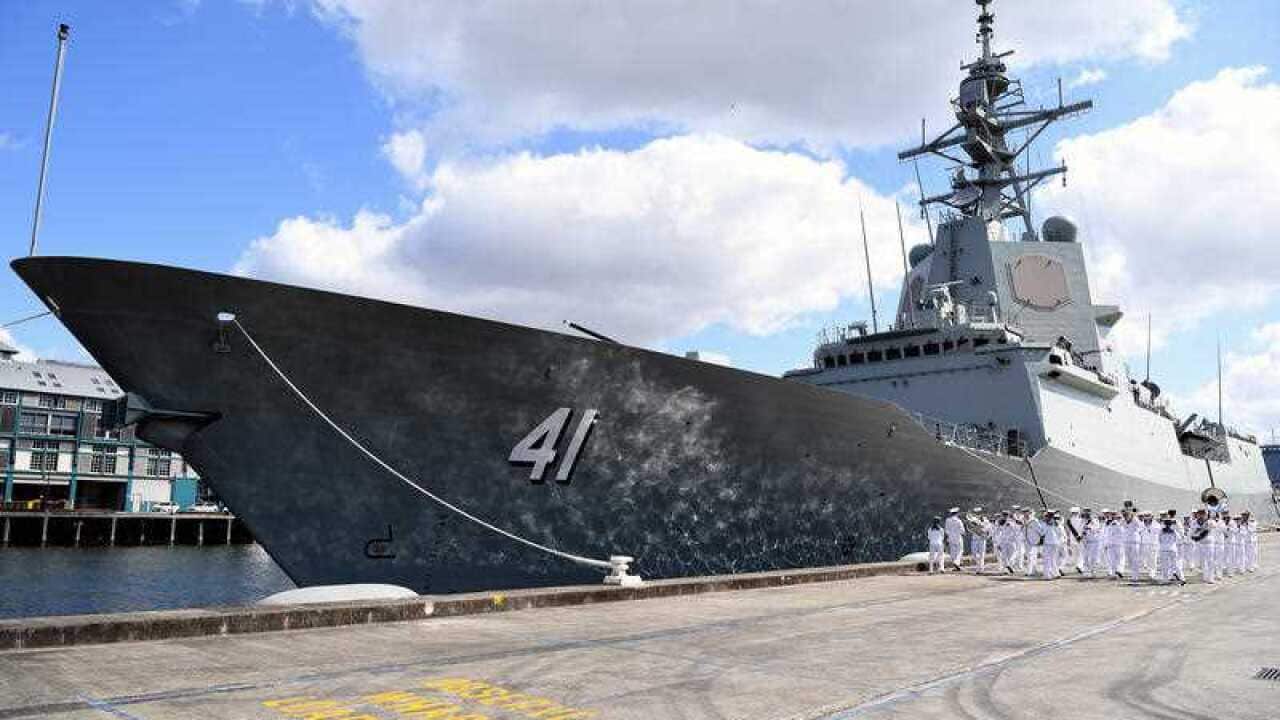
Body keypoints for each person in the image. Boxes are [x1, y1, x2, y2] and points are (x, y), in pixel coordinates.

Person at [1156, 517, 1186, 585]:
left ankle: (1165, 579)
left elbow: (1159, 540)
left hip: (1164, 549)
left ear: (1164, 524)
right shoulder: (1174, 531)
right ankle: (1182, 578)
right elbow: (1178, 539)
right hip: (1172, 548)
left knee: (1165, 565)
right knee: (1175, 564)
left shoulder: (1161, 531)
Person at [967, 507, 992, 574]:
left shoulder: (986, 521)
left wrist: (987, 536)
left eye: (979, 513)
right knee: (974, 554)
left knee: (982, 554)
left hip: (982, 539)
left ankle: (980, 569)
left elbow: (990, 530)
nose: (978, 514)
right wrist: (972, 528)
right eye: (976, 513)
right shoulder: (973, 520)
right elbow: (969, 527)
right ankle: (979, 566)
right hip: (975, 539)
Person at [1122, 508, 1144, 581]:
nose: (1125, 516)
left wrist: (1133, 516)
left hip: (1135, 542)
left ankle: (1135, 576)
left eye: (1126, 515)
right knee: (1129, 559)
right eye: (1124, 515)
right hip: (1126, 542)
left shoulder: (1135, 520)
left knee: (1135, 559)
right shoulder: (1123, 521)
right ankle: (1133, 573)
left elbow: (1141, 527)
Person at [1041, 511, 1063, 579]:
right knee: (1053, 559)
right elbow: (1060, 533)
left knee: (1047, 559)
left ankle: (1047, 575)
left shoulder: (1045, 524)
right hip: (1055, 543)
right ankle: (1056, 573)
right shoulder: (1056, 524)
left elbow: (1042, 533)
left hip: (1048, 543)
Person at [1081, 509, 1104, 576]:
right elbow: (1082, 531)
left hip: (1094, 542)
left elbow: (1097, 529)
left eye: (1087, 514)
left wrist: (1089, 528)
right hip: (1086, 542)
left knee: (1093, 558)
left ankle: (1093, 570)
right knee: (1085, 557)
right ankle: (1086, 571)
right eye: (1085, 514)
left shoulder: (1095, 521)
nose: (1086, 515)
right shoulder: (1083, 522)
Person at [1104, 509, 1125, 579]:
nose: (1112, 516)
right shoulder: (1107, 523)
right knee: (1113, 560)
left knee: (1119, 558)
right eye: (1112, 514)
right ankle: (1115, 573)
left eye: (1114, 514)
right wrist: (1106, 544)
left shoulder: (1118, 523)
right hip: (1111, 544)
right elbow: (1106, 535)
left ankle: (1118, 571)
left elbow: (1122, 533)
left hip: (1118, 544)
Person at [1023, 510, 1044, 577]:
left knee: (1031, 556)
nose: (1026, 515)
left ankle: (1029, 571)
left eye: (1028, 514)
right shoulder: (1024, 521)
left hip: (1033, 541)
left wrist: (1040, 539)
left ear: (1031, 514)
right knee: (1032, 556)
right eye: (1025, 514)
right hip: (1026, 541)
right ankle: (1034, 570)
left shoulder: (1034, 521)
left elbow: (1040, 530)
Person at [944, 507, 966, 572]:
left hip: (950, 538)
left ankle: (956, 566)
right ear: (957, 513)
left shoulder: (947, 520)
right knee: (960, 551)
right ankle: (957, 562)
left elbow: (946, 530)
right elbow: (962, 531)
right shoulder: (959, 521)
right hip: (958, 538)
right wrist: (963, 533)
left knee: (953, 552)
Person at [1139, 511, 1159, 580]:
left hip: (1153, 544)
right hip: (1144, 544)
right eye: (1145, 516)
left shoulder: (1156, 524)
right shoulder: (1141, 524)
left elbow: (1157, 532)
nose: (1146, 518)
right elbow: (1139, 532)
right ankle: (1150, 571)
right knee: (1146, 560)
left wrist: (1149, 528)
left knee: (1153, 559)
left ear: (1151, 517)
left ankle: (1152, 573)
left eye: (1148, 516)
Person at [1065, 507, 1085, 573]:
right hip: (1079, 539)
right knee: (1081, 554)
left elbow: (1068, 531)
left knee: (1075, 554)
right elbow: (1083, 529)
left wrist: (1068, 540)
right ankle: (1079, 566)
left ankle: (1077, 565)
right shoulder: (1081, 520)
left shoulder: (1069, 521)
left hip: (1072, 539)